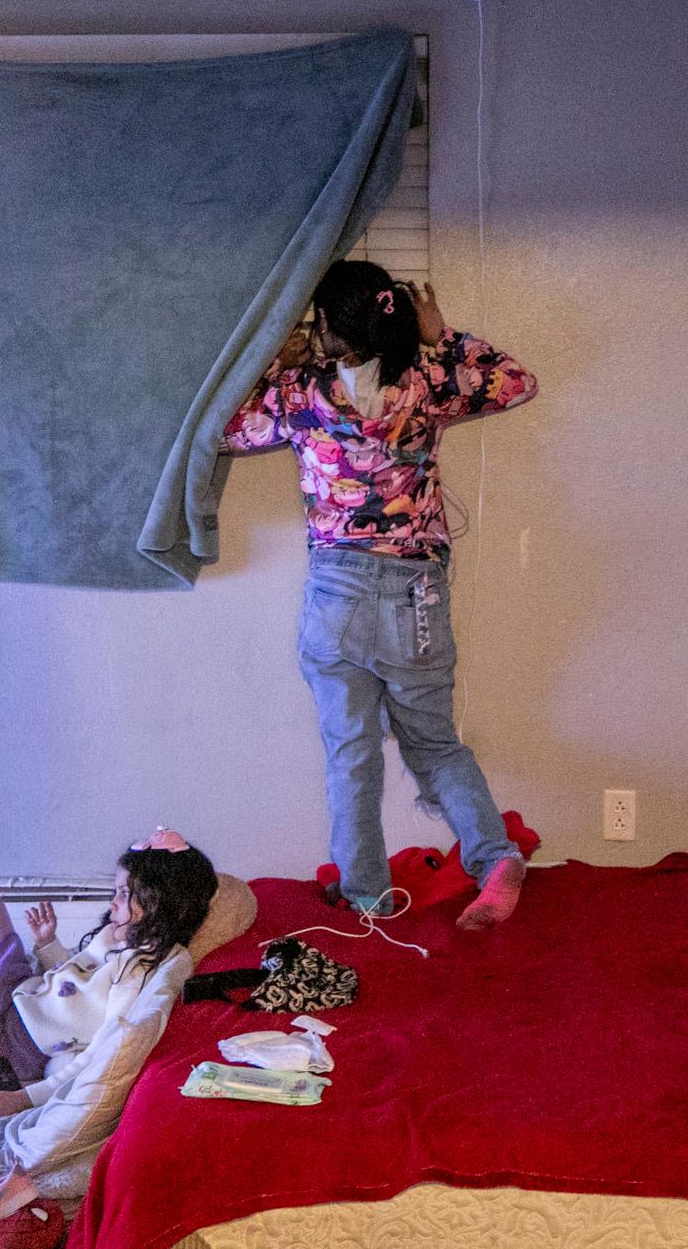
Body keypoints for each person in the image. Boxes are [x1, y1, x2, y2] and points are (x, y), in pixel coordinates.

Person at [222, 260, 537, 930]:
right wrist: (442, 334)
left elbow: (226, 428)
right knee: (435, 744)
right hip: (415, 593)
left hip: (338, 595)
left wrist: (274, 358)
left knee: (351, 751)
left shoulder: (299, 392)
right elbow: (516, 381)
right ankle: (493, 854)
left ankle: (365, 892)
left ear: (330, 329)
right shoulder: (425, 382)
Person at [0, 830, 251, 1212]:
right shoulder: (116, 934)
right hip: (21, 989)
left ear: (160, 902)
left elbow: (96, 1053)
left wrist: (21, 1099)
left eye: (124, 893)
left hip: (16, 1038)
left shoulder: (145, 971)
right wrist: (47, 945)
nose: (112, 903)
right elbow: (75, 982)